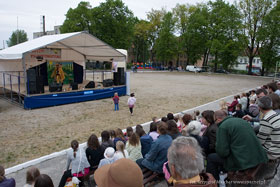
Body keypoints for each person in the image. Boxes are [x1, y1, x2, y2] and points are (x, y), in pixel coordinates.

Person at [207, 110, 268, 180]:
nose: (215, 124)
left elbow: (223, 152)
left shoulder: (223, 127)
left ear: (218, 119)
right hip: (258, 155)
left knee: (211, 158)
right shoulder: (240, 120)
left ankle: (214, 183)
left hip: (245, 160)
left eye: (215, 121)